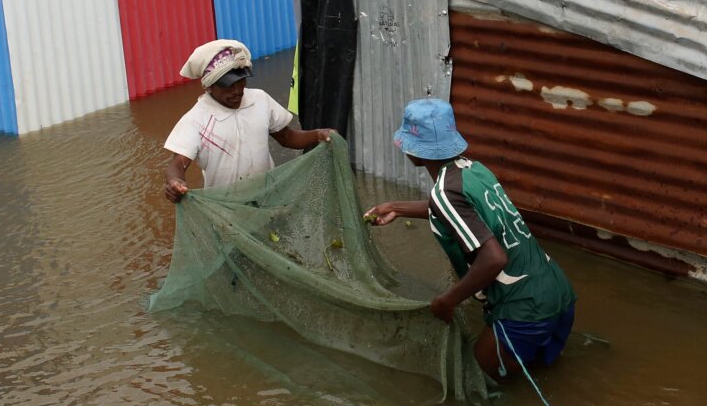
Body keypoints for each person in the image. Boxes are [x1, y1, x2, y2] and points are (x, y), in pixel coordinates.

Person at [364, 98, 576, 379]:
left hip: (524, 309)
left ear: (416, 150)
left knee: (479, 378)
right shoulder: (473, 169)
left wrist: (447, 301)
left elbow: (494, 257)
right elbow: (460, 212)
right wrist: (396, 207)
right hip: (558, 293)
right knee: (544, 376)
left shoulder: (444, 192)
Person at [163, 39, 334, 201]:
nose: (237, 90)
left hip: (268, 196)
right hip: (226, 205)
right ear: (209, 86)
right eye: (228, 85)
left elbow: (288, 137)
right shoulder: (196, 120)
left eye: (241, 81)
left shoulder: (260, 99)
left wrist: (318, 135)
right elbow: (178, 165)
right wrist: (175, 182)